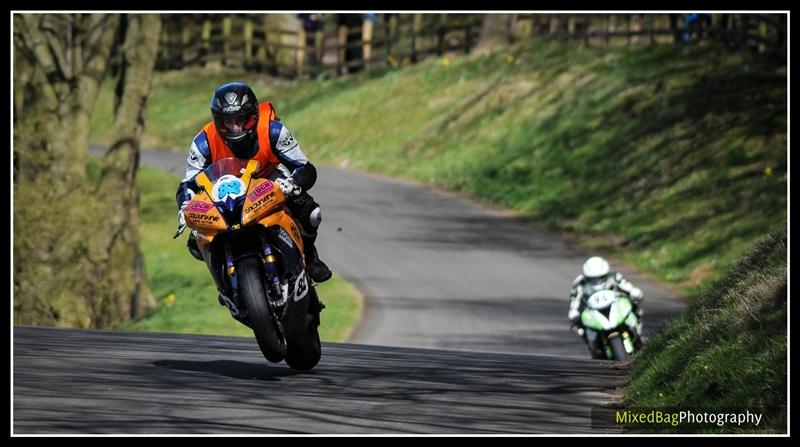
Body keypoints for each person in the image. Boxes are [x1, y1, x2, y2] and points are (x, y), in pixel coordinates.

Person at [176, 82, 333, 294]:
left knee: (312, 213)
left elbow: (305, 168)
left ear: (254, 115)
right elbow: (187, 183)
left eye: (242, 120)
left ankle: (310, 256)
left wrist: (293, 184)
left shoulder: (273, 129)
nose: (235, 128)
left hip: (267, 177)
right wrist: (185, 205)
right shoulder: (203, 141)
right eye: (226, 123)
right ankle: (224, 283)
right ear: (216, 121)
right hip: (224, 186)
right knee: (196, 239)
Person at [567, 256, 644, 347]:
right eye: (592, 279)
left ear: (606, 273)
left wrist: (633, 292)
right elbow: (575, 300)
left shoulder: (614, 276)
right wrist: (573, 311)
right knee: (578, 322)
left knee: (634, 306)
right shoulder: (579, 283)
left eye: (600, 277)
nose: (596, 281)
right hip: (592, 311)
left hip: (614, 305)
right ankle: (592, 344)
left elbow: (626, 286)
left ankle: (638, 333)